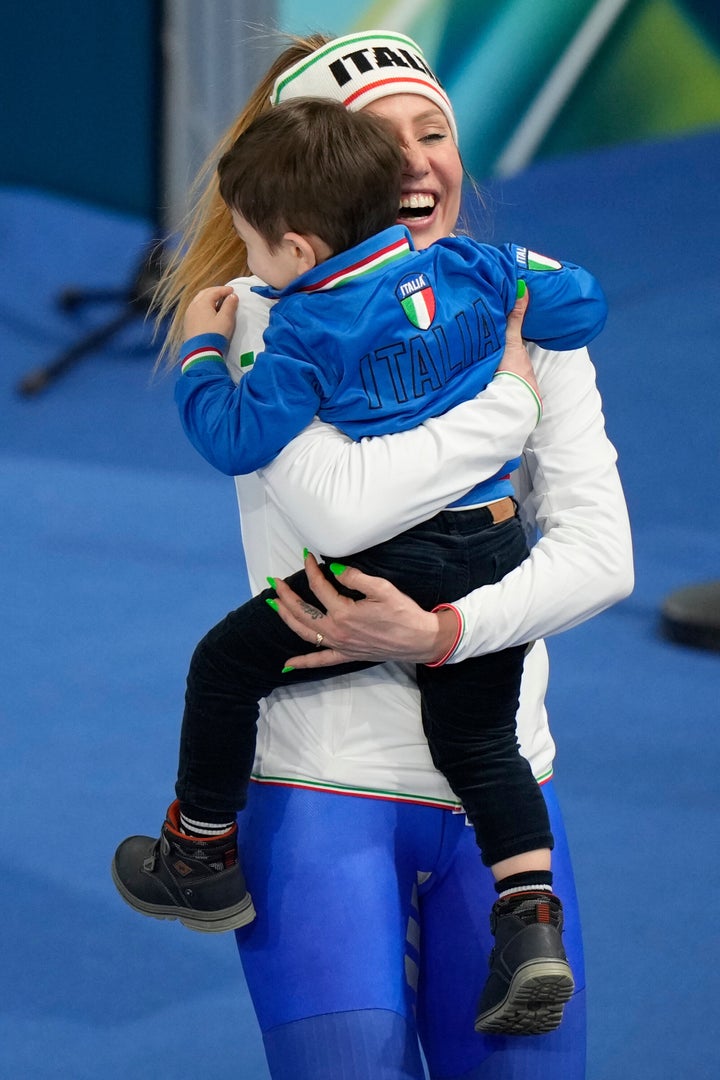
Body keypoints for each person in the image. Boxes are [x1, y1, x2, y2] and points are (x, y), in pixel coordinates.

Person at [118, 30, 633, 1080]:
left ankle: (193, 842)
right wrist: (506, 404)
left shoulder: (507, 299)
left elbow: (603, 558)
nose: (413, 162)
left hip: (505, 802)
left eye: (433, 132)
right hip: (324, 802)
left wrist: (444, 632)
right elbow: (344, 513)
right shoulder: (264, 322)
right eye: (375, 140)